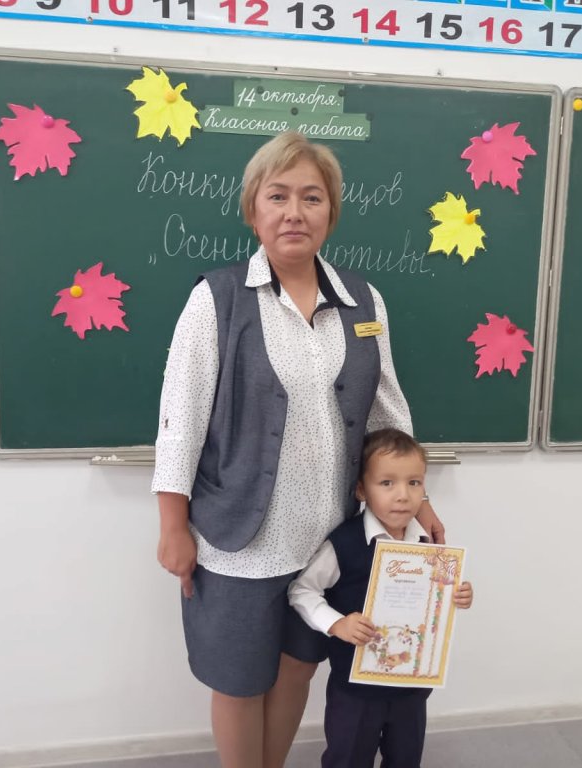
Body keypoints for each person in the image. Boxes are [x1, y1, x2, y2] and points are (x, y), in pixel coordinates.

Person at [152, 131, 445, 768]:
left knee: (297, 670)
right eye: (278, 196)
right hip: (238, 540)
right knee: (238, 680)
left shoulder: (363, 301)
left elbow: (386, 415)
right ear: (253, 208)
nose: (294, 212)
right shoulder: (216, 298)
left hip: (327, 537)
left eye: (311, 198)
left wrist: (417, 503)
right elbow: (179, 421)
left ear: (331, 212)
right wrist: (173, 526)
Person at [289, 428, 474, 768]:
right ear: (362, 489)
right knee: (348, 758)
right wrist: (337, 624)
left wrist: (458, 594)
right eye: (387, 483)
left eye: (414, 483)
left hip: (411, 687)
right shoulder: (344, 544)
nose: (402, 495)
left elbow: (435, 601)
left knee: (405, 758)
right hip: (356, 689)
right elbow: (301, 591)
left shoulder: (428, 545)